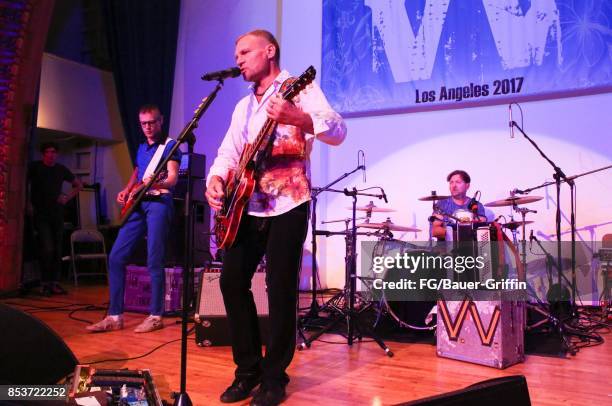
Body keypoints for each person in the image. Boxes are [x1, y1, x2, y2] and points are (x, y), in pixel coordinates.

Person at [206, 30, 346, 406]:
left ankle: (274, 377)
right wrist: (216, 179)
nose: (239, 60)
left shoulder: (299, 88)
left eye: (245, 52)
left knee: (280, 290)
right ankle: (247, 369)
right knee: (232, 282)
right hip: (246, 206)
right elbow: (227, 153)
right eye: (236, 54)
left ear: (270, 52)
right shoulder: (242, 108)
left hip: (289, 202)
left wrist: (297, 117)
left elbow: (338, 129)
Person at [87, 104, 181, 334]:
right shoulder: (141, 147)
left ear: (160, 121)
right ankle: (114, 316)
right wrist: (127, 190)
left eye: (151, 122)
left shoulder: (170, 146)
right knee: (117, 257)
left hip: (158, 203)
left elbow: (172, 179)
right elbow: (138, 172)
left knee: (153, 259)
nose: (147, 127)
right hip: (138, 204)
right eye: (143, 123)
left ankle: (155, 315)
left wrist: (154, 184)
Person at [27, 142, 83, 295]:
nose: (51, 155)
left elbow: (78, 185)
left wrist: (66, 197)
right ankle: (45, 283)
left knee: (57, 249)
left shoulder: (61, 169)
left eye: (53, 152)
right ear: (43, 154)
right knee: (47, 249)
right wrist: (28, 203)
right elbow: (24, 184)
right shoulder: (35, 167)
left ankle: (54, 283)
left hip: (57, 214)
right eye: (48, 152)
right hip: (41, 214)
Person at [432, 169, 487, 240]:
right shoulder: (442, 204)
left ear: (467, 186)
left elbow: (482, 226)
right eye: (451, 183)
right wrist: (451, 232)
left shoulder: (476, 205)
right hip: (447, 248)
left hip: (471, 246)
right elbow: (435, 231)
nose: (454, 186)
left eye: (458, 182)